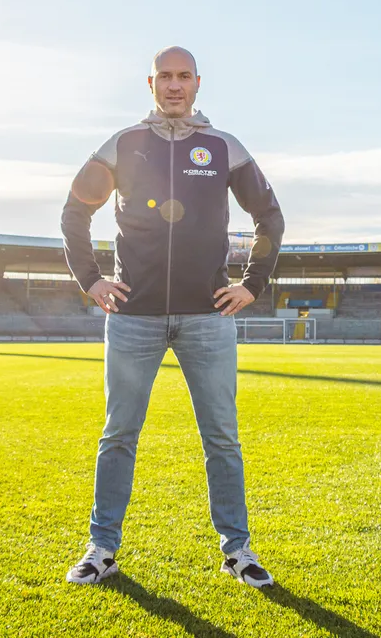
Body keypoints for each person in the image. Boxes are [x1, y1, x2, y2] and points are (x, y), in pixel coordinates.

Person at [60, 46, 284, 588]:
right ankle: (101, 548)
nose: (175, 85)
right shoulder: (124, 144)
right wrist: (90, 279)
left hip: (207, 317)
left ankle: (238, 550)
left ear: (198, 83)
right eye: (165, 76)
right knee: (119, 434)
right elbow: (74, 210)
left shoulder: (223, 147)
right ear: (151, 83)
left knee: (222, 438)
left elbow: (269, 216)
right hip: (133, 317)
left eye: (184, 76)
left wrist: (252, 284)